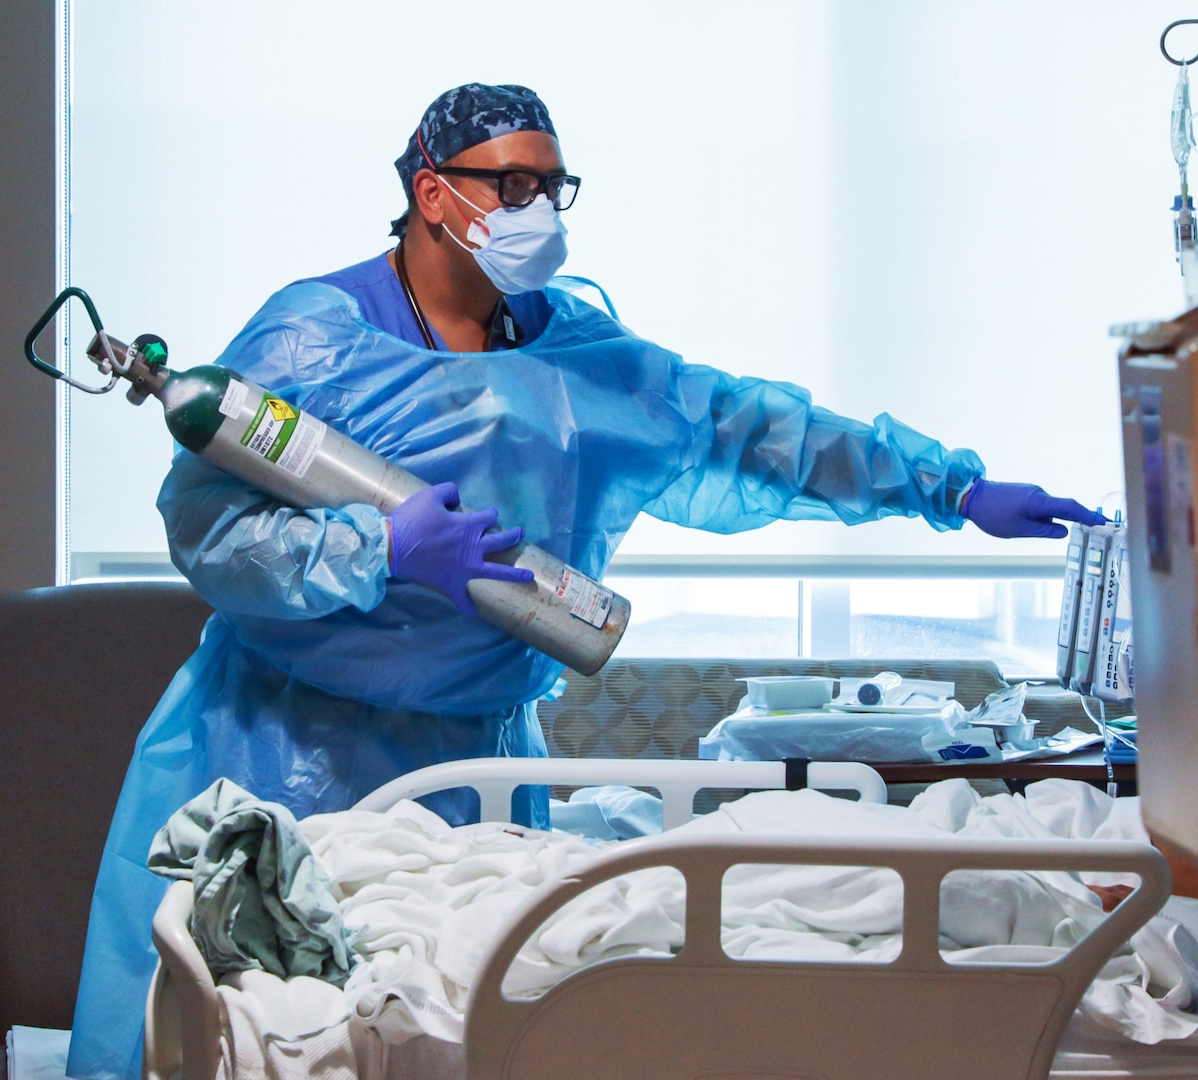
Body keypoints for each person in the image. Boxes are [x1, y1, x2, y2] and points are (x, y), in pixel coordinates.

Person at [67, 82, 1106, 1078]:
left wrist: (950, 491)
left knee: (459, 1036)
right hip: (285, 747)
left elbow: (743, 430)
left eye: (553, 187)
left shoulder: (579, 356)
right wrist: (375, 550)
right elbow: (209, 531)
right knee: (259, 1036)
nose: (539, 212)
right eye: (511, 185)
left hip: (479, 760)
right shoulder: (315, 338)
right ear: (433, 193)